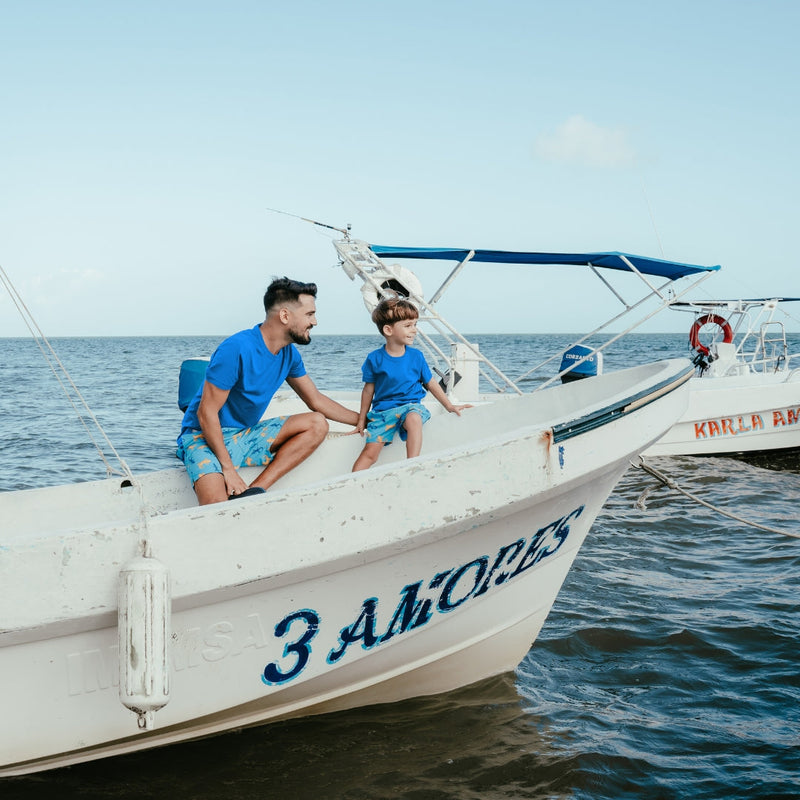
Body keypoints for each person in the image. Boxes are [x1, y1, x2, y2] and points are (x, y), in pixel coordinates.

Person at [177, 277, 359, 505]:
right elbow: (206, 413)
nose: (315, 321)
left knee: (316, 423)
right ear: (285, 316)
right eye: (309, 314)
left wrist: (364, 420)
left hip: (243, 434)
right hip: (202, 437)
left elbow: (316, 400)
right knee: (215, 505)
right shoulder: (237, 348)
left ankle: (255, 490)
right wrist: (228, 469)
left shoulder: (289, 354)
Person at [352, 297, 470, 471]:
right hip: (383, 413)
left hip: (411, 407)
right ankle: (352, 484)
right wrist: (361, 420)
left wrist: (449, 406)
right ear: (388, 330)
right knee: (370, 453)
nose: (414, 330)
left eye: (415, 325)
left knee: (414, 418)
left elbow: (431, 383)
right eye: (408, 326)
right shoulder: (374, 359)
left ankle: (411, 466)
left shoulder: (416, 356)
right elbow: (368, 391)